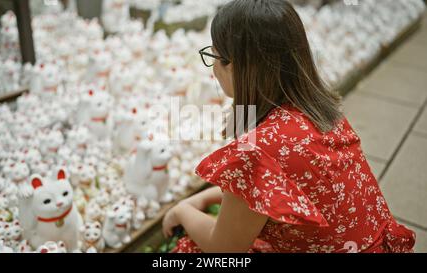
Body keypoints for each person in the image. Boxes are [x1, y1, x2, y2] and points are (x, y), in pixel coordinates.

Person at [162, 0, 415, 253]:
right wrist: (208, 196)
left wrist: (182, 211)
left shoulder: (257, 150)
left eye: (214, 56)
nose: (214, 68)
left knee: (190, 249)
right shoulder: (322, 112)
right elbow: (287, 185)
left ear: (235, 66)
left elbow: (225, 248)